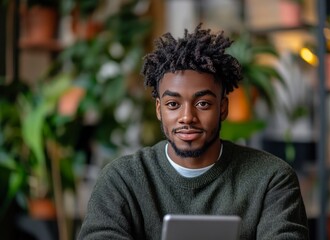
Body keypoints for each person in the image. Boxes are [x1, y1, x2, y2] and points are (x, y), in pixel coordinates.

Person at [77, 23, 309, 240]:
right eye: (173, 105)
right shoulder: (122, 180)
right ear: (159, 109)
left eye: (203, 104)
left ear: (223, 108)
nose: (187, 117)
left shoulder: (271, 179)